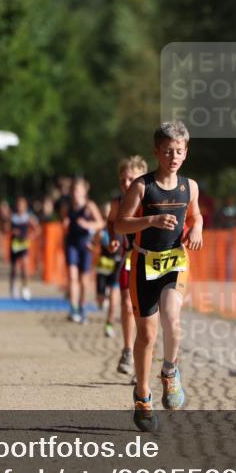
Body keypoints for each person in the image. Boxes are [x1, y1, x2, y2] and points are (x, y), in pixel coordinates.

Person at [115, 121, 203, 432]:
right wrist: (150, 220)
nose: (173, 157)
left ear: (186, 152)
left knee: (172, 317)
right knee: (147, 336)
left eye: (179, 151)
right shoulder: (142, 186)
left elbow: (195, 214)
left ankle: (169, 371)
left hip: (175, 261)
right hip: (144, 263)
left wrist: (198, 229)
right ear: (156, 152)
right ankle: (142, 395)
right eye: (167, 151)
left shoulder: (190, 187)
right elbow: (121, 224)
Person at [108, 155, 149, 378]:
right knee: (126, 302)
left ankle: (143, 358)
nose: (126, 183)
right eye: (123, 179)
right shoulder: (118, 202)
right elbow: (111, 221)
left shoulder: (150, 200)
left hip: (150, 259)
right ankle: (127, 351)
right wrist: (113, 238)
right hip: (129, 256)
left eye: (131, 179)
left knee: (146, 312)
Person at [61, 177, 104, 323]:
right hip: (71, 244)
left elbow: (100, 223)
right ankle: (73, 309)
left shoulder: (89, 206)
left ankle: (82, 306)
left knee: (84, 280)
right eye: (74, 190)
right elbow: (64, 221)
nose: (76, 193)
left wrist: (87, 224)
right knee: (72, 277)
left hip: (85, 244)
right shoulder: (67, 207)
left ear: (85, 191)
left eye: (78, 190)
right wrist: (65, 223)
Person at [94, 201, 123, 338]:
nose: (107, 219)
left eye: (110, 215)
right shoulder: (101, 230)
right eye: (104, 217)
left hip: (117, 264)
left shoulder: (122, 227)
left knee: (114, 296)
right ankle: (102, 297)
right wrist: (97, 238)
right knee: (100, 298)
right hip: (103, 264)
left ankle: (109, 324)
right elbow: (94, 244)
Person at [9, 196, 40, 300]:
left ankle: (25, 287)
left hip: (23, 245)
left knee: (25, 266)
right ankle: (13, 287)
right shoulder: (13, 217)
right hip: (14, 245)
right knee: (14, 268)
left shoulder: (28, 218)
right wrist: (12, 231)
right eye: (18, 205)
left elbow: (37, 230)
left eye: (22, 205)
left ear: (25, 206)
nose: (20, 207)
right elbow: (5, 228)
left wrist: (30, 237)